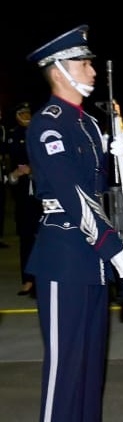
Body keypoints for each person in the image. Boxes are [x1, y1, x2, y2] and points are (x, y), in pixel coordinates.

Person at [25, 25, 123, 422]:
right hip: (65, 253)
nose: (91, 70)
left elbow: (102, 191)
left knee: (90, 355)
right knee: (66, 358)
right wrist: (114, 247)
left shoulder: (88, 122)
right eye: (83, 63)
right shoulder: (48, 122)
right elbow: (72, 196)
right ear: (59, 70)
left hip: (91, 255)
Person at [4, 102, 40, 297]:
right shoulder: (12, 136)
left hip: (42, 194)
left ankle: (42, 278)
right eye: (22, 113)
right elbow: (9, 171)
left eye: (28, 112)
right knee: (26, 238)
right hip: (23, 196)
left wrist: (33, 170)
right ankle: (27, 280)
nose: (25, 116)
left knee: (44, 237)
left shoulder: (40, 132)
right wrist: (16, 174)